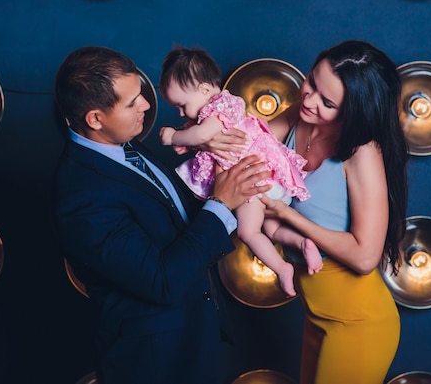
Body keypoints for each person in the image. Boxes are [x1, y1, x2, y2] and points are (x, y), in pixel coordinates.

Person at [51, 46, 272, 384]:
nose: (146, 105)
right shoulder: (80, 194)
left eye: (141, 93)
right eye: (131, 103)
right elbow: (160, 280)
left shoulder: (125, 144)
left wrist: (212, 154)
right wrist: (222, 203)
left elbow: (174, 220)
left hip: (198, 337)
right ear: (95, 119)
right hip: (157, 362)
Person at [260, 40, 409, 384]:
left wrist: (288, 216)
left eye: (328, 102)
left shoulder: (362, 153)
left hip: (359, 322)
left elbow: (364, 257)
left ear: (353, 111)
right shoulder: (296, 119)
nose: (309, 100)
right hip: (317, 315)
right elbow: (249, 148)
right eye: (312, 81)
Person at [157, 46, 323, 297]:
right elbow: (204, 138)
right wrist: (189, 141)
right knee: (272, 230)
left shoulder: (218, 108)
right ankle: (303, 243)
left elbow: (202, 134)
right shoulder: (221, 107)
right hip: (267, 182)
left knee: (247, 232)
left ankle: (282, 268)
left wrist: (174, 136)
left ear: (204, 90)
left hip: (255, 181)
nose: (181, 114)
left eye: (182, 106)